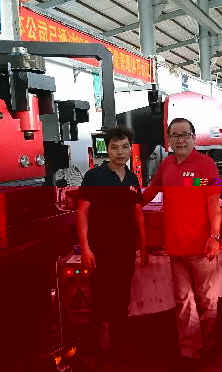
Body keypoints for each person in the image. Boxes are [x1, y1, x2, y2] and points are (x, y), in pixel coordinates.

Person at [142, 118, 222, 366]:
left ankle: (208, 345)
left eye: (185, 135)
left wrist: (214, 237)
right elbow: (152, 191)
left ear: (194, 138)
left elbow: (213, 203)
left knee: (207, 300)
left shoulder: (205, 166)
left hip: (202, 248)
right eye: (175, 135)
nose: (180, 140)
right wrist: (127, 203)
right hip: (176, 247)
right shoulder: (166, 166)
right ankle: (189, 349)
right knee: (183, 301)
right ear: (168, 140)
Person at [76, 125, 148, 362]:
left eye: (125, 147)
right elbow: (82, 212)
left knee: (122, 297)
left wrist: (143, 245)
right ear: (107, 150)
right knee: (102, 299)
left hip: (126, 249)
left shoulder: (132, 178)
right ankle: (102, 352)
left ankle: (119, 345)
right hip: (101, 250)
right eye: (114, 147)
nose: (120, 152)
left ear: (130, 149)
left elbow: (138, 212)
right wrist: (85, 248)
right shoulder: (94, 176)